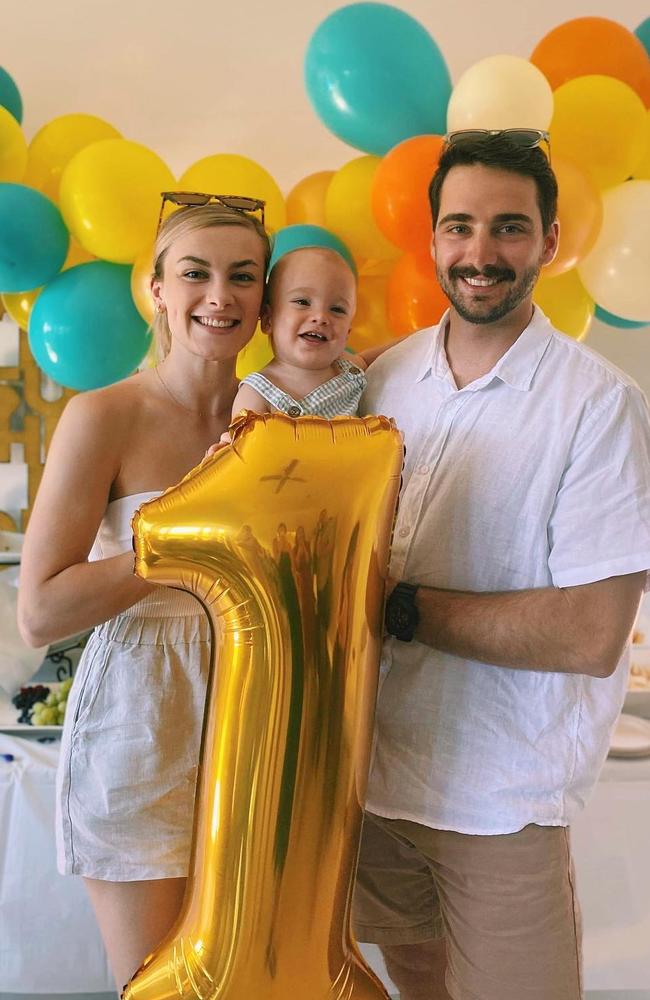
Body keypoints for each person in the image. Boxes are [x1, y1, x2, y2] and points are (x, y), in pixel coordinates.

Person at [352, 130, 650, 1000]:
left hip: (500, 802)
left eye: (510, 228)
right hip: (373, 783)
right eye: (460, 227)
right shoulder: (382, 379)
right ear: (433, 239)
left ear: (551, 242)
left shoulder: (598, 407)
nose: (480, 254)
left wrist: (394, 606)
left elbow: (591, 636)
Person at [17, 195, 270, 992]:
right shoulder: (106, 416)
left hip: (258, 712)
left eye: (243, 276)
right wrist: (183, 538)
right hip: (142, 715)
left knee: (248, 980)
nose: (219, 296)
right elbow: (41, 610)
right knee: (160, 985)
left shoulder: (279, 424)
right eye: (195, 274)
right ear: (156, 289)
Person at [228, 223, 367, 421]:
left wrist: (429, 332)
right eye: (303, 302)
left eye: (337, 309)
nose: (320, 317)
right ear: (268, 319)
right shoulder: (257, 393)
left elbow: (398, 351)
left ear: (347, 333)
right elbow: (247, 450)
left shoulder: (347, 368)